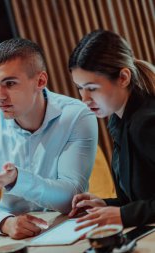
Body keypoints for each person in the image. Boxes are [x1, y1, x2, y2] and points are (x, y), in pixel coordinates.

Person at [0, 38, 98, 239]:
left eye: (9, 83)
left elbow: (71, 198)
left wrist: (18, 179)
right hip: (15, 236)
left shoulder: (77, 116)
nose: (0, 96)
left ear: (41, 81)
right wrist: (5, 223)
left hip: (68, 231)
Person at [68, 30, 155, 230]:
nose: (85, 99)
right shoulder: (119, 120)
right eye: (80, 87)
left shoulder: (147, 123)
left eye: (92, 87)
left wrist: (124, 215)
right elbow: (143, 198)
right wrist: (106, 205)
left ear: (123, 77)